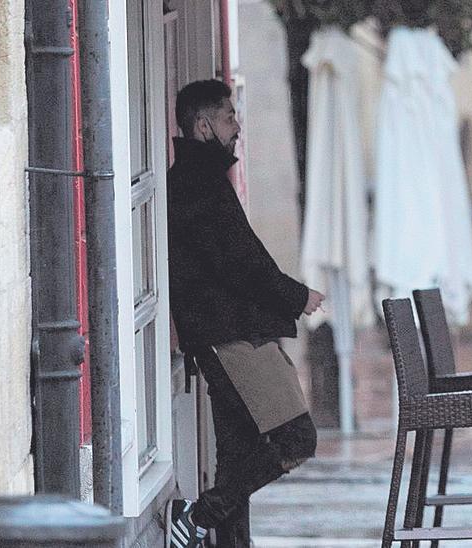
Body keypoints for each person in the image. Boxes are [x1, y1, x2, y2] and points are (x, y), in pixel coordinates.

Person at [166, 79, 325, 548]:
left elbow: (240, 257)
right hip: (229, 334)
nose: (237, 127)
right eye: (229, 117)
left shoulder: (205, 178)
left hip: (228, 330)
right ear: (203, 125)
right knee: (296, 439)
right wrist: (296, 297)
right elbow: (240, 262)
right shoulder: (197, 183)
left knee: (238, 455)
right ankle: (198, 518)